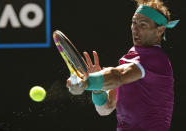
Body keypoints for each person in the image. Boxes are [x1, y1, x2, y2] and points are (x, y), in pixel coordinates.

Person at [66, 0, 179, 130]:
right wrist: (97, 89)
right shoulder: (130, 58)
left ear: (160, 30)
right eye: (134, 23)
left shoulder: (155, 58)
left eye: (143, 25)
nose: (135, 29)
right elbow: (105, 108)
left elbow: (118, 75)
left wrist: (86, 82)